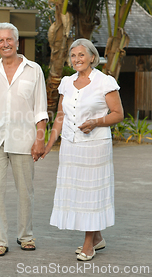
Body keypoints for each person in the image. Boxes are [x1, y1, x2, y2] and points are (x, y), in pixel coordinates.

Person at [41, 38, 124, 261]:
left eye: (81, 55)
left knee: (92, 193)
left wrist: (96, 122)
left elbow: (118, 113)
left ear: (92, 58)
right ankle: (96, 236)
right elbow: (60, 116)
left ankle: (89, 244)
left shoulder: (105, 82)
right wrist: (49, 144)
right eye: (73, 55)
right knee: (77, 193)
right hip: (70, 146)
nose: (77, 59)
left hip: (95, 147)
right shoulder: (66, 82)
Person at [0, 22, 48, 256]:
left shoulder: (34, 69)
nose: (5, 44)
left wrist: (39, 139)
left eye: (9, 39)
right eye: (0, 40)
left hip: (24, 139)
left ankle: (25, 236)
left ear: (17, 42)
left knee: (25, 190)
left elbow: (40, 108)